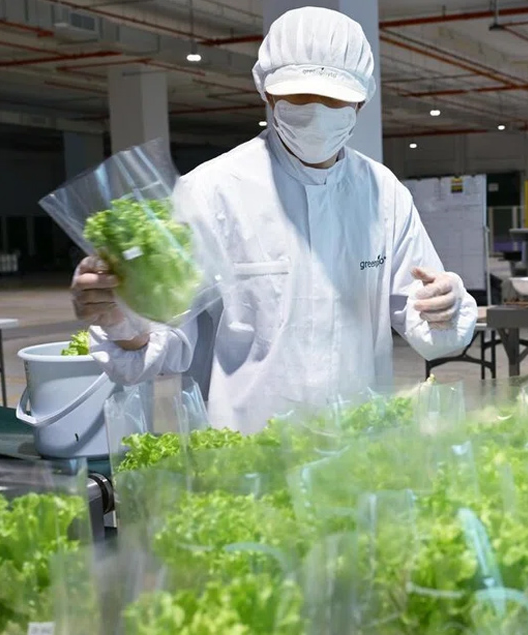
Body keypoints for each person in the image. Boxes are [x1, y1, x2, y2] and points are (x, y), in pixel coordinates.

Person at [70, 7, 478, 433]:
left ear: (362, 99)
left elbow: (424, 314)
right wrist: (119, 316)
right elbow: (166, 339)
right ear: (266, 93)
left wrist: (443, 306)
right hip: (247, 449)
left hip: (358, 449)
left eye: (334, 99)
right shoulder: (212, 190)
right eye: (299, 97)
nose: (317, 112)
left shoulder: (383, 191)